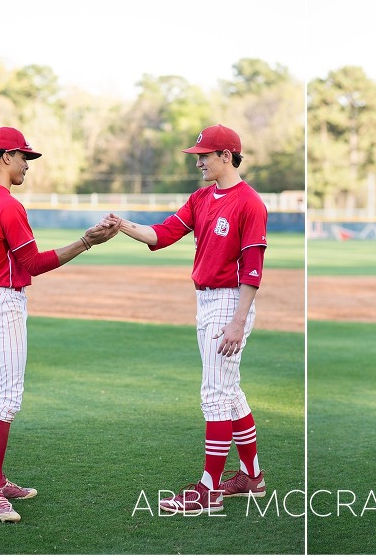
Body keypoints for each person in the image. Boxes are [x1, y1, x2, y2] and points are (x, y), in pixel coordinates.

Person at [0, 127, 120, 523]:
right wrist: (87, 241)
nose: (27, 164)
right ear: (6, 156)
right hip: (5, 303)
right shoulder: (8, 206)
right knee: (7, 398)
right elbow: (33, 265)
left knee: (2, 396)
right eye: (24, 156)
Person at [102, 124, 268, 515]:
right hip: (207, 302)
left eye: (204, 156)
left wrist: (238, 321)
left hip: (230, 303)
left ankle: (208, 491)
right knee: (230, 392)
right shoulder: (201, 198)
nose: (199, 163)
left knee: (214, 395)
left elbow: (253, 270)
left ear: (226, 156)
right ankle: (252, 477)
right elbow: (162, 234)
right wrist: (123, 225)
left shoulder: (250, 203)